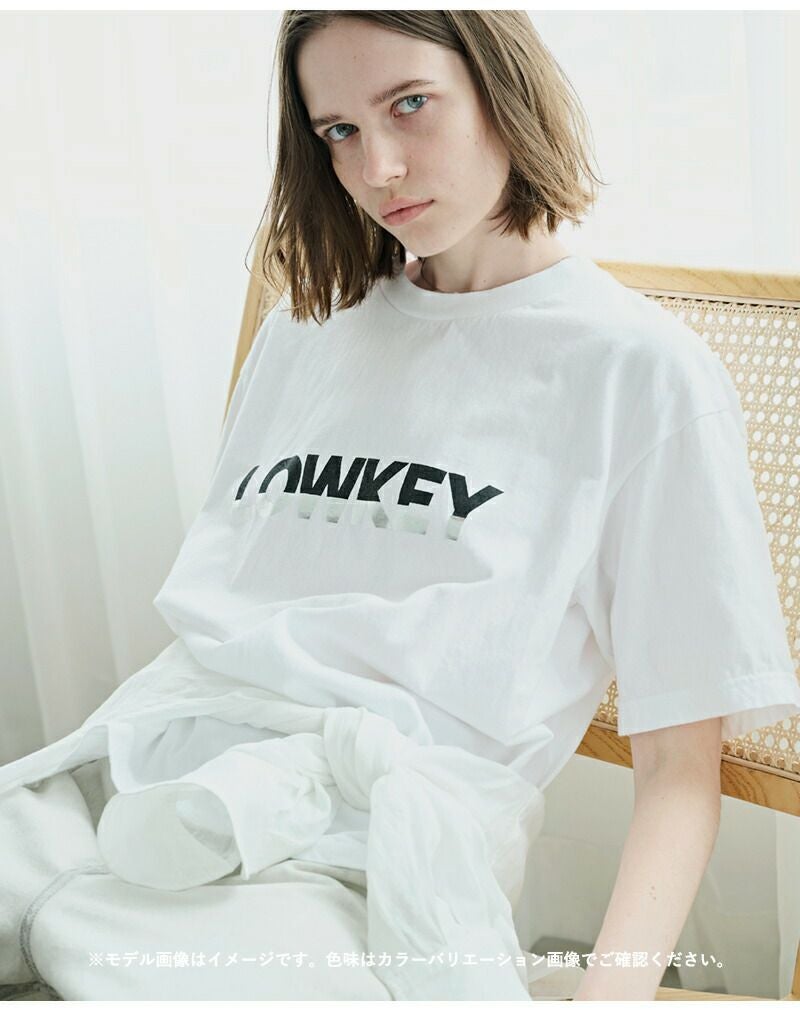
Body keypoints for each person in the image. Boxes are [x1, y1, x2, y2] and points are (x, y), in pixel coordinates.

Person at [2, 10, 799, 1003]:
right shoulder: (308, 325)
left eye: (410, 105)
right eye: (338, 130)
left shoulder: (639, 376)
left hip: (356, 860)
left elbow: (679, 770)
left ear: (504, 90)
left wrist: (610, 996)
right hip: (127, 779)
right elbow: (236, 622)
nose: (377, 167)